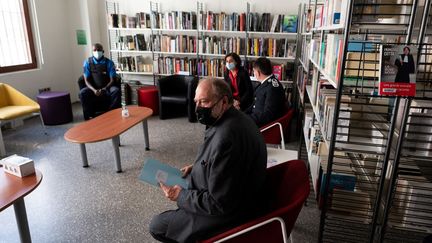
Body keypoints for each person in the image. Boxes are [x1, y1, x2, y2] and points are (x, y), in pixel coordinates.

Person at [149, 78, 267, 243]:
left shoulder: (226, 138)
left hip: (232, 213)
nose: (197, 108)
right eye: (196, 102)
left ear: (224, 101)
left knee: (157, 225)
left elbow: (218, 204)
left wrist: (181, 196)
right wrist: (196, 166)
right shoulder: (236, 118)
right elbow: (220, 162)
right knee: (184, 182)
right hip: (239, 192)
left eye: (204, 102)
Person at [79, 43, 121, 120]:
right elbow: (86, 80)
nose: (97, 52)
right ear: (92, 51)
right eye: (94, 50)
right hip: (93, 88)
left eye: (99, 50)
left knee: (116, 91)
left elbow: (112, 80)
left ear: (103, 51)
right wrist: (94, 90)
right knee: (82, 93)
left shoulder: (109, 63)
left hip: (107, 87)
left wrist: (104, 88)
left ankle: (113, 113)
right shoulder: (87, 62)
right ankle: (89, 115)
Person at [245, 57, 287, 127]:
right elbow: (255, 104)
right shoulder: (267, 82)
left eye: (254, 71)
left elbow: (268, 115)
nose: (254, 73)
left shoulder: (272, 88)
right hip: (256, 118)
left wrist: (247, 119)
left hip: (264, 126)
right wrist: (243, 115)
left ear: (258, 73)